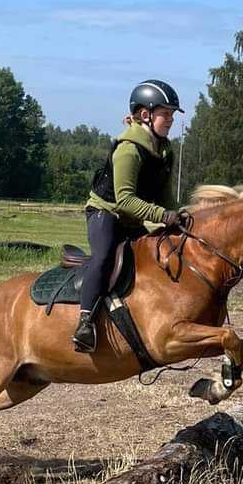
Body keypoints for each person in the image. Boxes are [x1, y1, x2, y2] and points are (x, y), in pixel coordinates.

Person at [73, 80, 187, 353]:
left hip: (134, 218)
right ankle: (85, 322)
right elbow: (124, 200)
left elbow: (165, 197)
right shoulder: (128, 150)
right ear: (145, 115)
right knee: (104, 256)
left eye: (172, 114)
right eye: (166, 114)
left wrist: (177, 219)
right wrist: (162, 215)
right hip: (107, 212)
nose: (170, 120)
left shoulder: (164, 151)